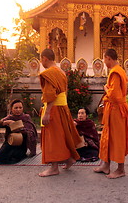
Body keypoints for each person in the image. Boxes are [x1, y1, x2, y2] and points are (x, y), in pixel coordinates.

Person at [39, 49, 82, 177]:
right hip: (63, 107)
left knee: (53, 137)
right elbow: (63, 92)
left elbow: (51, 94)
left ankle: (54, 168)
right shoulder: (61, 72)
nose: (41, 62)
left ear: (45, 58)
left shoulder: (49, 73)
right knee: (63, 135)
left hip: (54, 108)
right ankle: (69, 159)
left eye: (41, 59)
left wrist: (47, 113)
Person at [93, 49, 128, 179]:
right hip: (113, 110)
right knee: (108, 137)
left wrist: (106, 89)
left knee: (118, 139)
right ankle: (106, 165)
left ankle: (121, 169)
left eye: (104, 59)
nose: (104, 62)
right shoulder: (118, 70)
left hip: (116, 110)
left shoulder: (115, 72)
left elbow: (114, 95)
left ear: (108, 58)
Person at [0, 99, 37, 164]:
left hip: (21, 145)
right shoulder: (9, 118)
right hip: (10, 144)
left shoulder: (26, 117)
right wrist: (6, 123)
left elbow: (31, 132)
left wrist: (22, 130)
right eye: (16, 108)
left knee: (16, 158)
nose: (18, 110)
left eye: (20, 108)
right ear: (11, 109)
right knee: (0, 156)